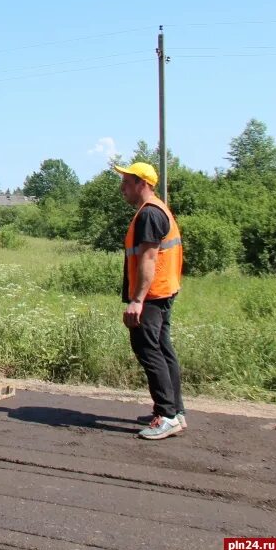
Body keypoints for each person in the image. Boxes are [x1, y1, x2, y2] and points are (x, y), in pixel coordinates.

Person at [114, 161, 186, 440]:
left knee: (147, 349)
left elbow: (149, 258)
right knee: (162, 350)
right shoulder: (157, 210)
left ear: (141, 184)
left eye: (126, 183)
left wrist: (137, 300)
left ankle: (166, 415)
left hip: (152, 295)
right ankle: (175, 411)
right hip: (164, 291)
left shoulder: (149, 214)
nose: (122, 189)